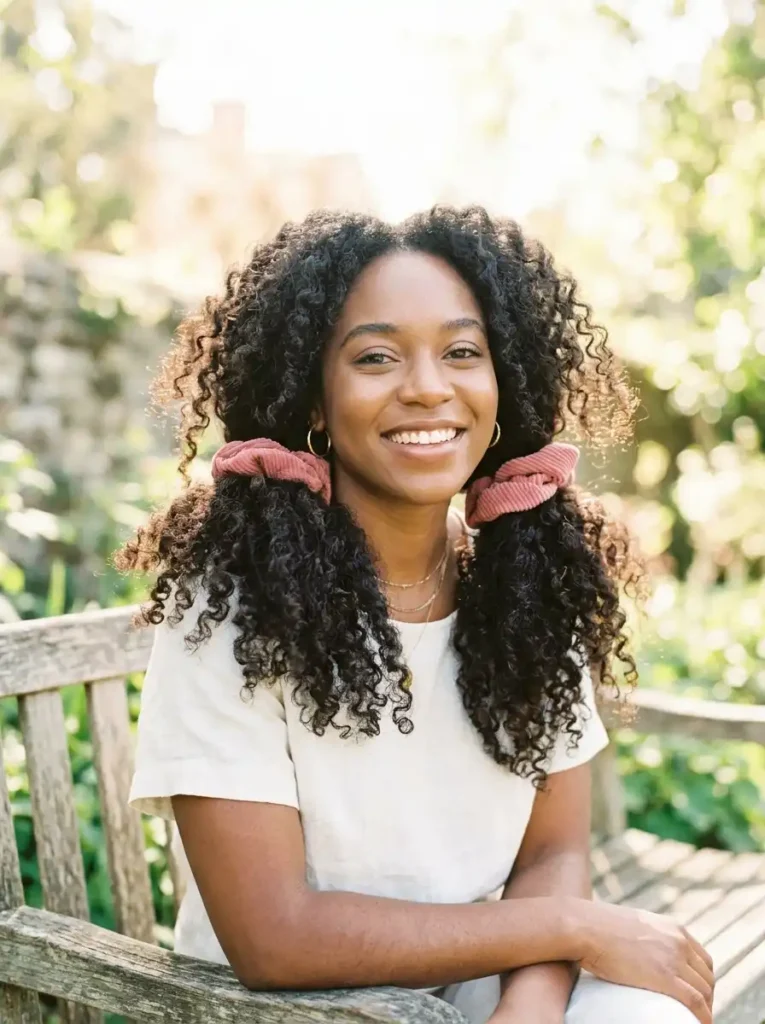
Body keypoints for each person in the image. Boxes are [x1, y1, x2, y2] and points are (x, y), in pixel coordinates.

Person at [119, 206, 714, 1024]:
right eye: (375, 357)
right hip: (289, 1008)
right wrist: (575, 927)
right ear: (313, 400)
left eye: (462, 352)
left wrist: (529, 1007)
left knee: (650, 1011)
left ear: (503, 385)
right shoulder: (233, 607)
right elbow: (273, 937)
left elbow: (551, 852)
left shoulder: (522, 587)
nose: (429, 386)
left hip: (469, 983)